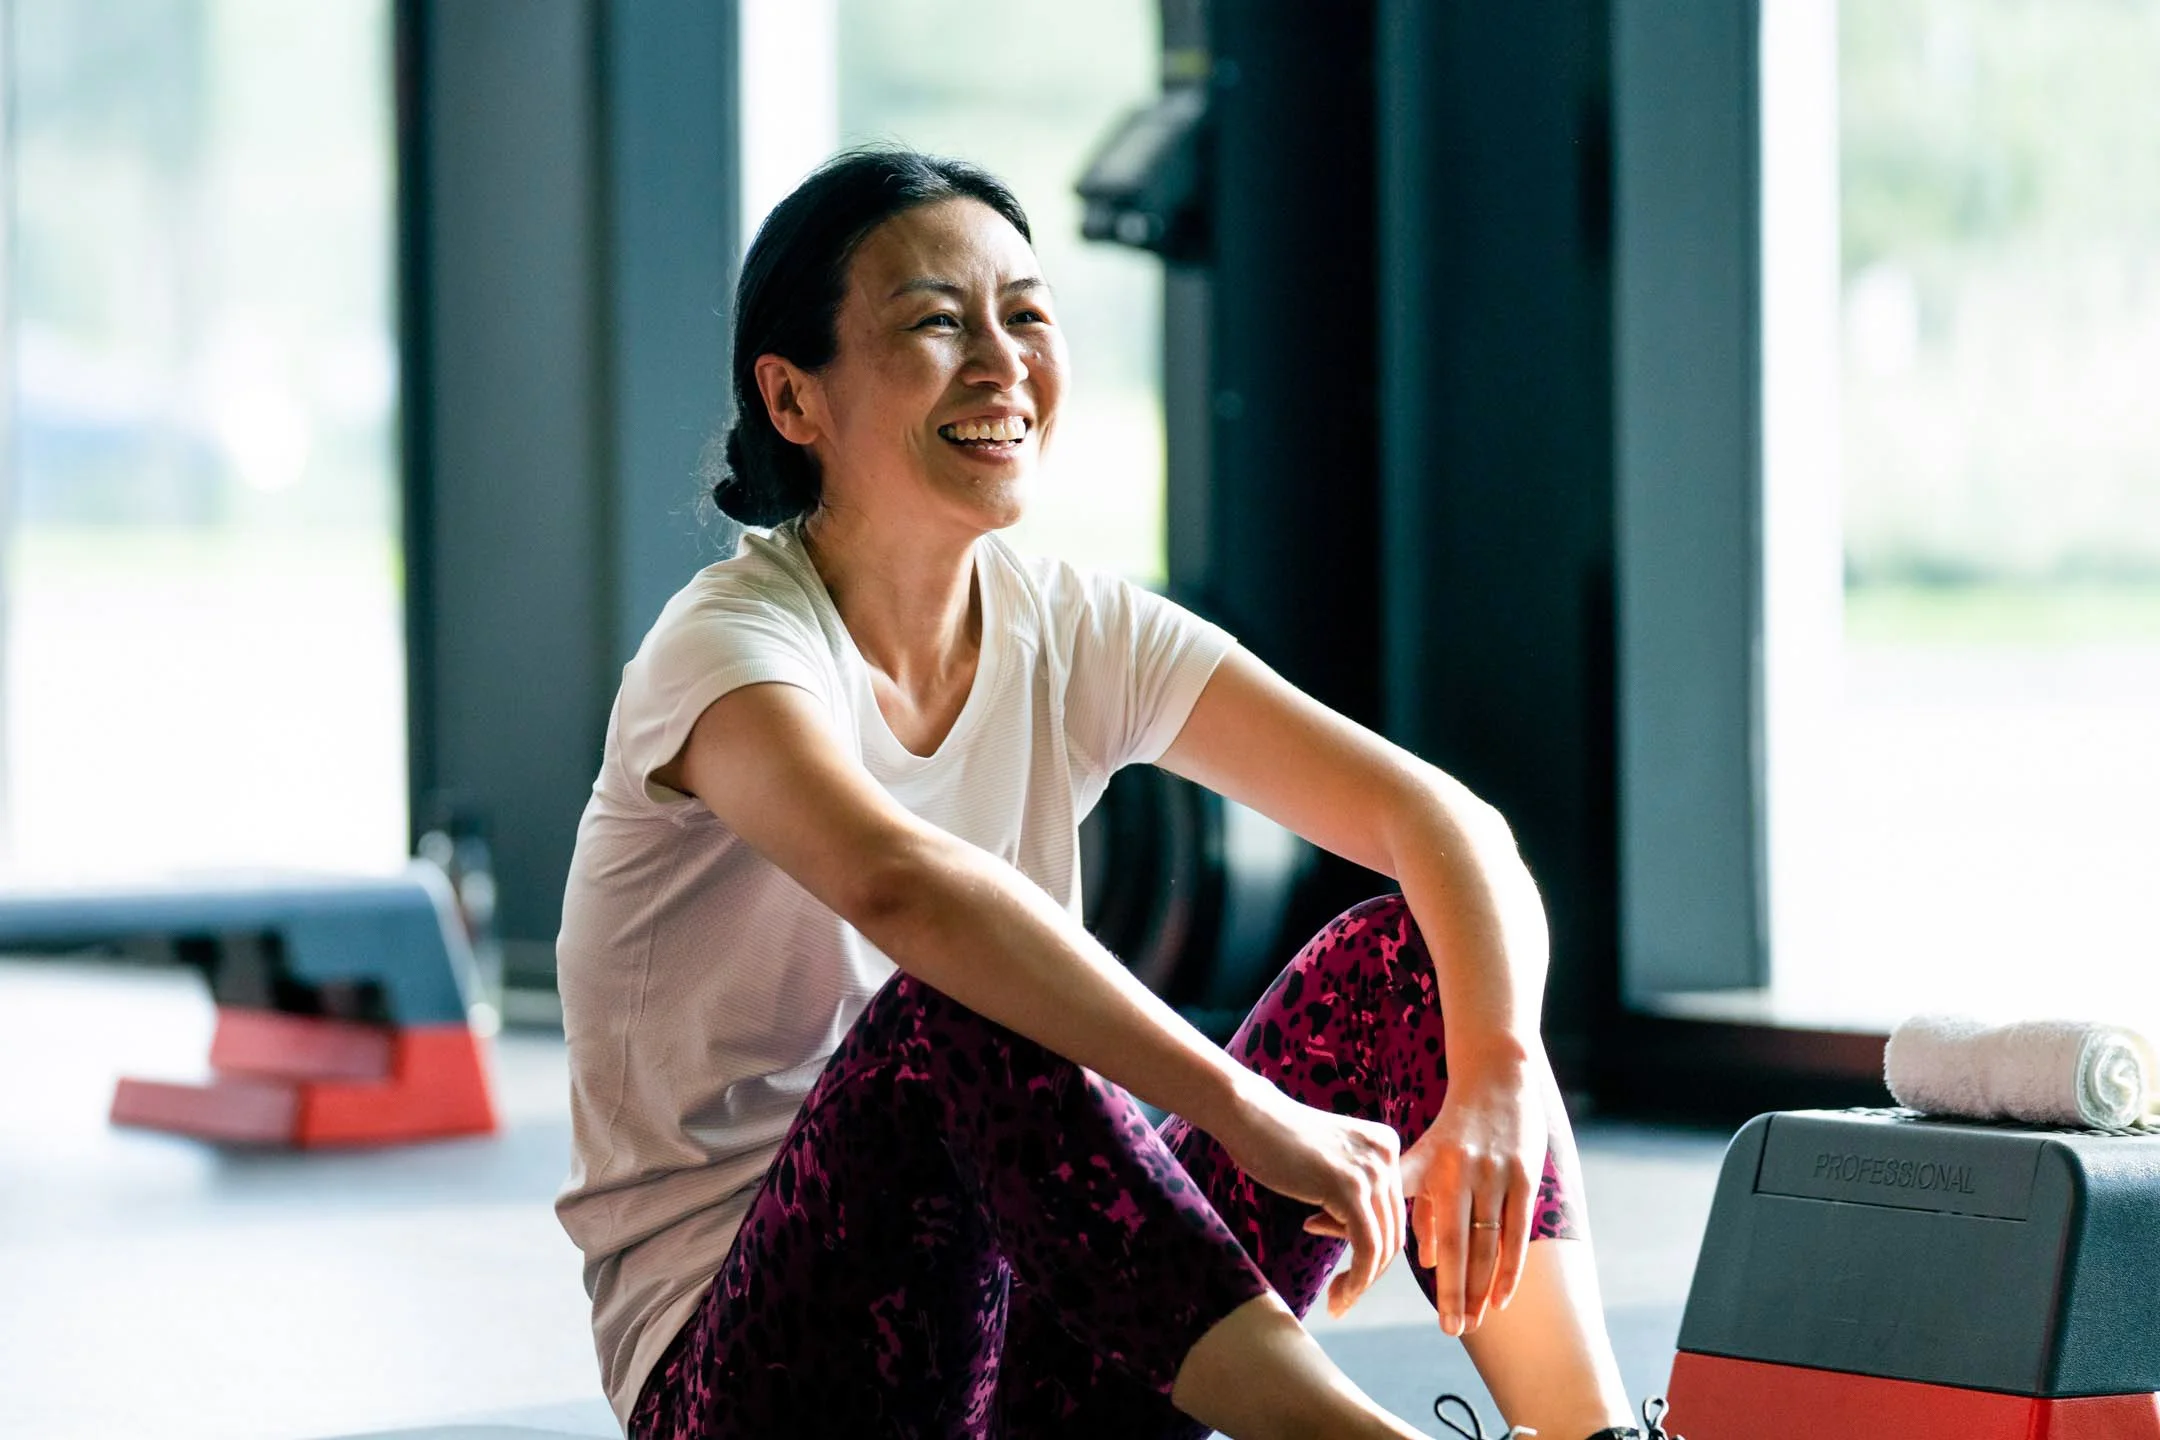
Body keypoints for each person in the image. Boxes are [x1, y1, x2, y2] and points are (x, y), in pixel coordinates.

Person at [555, 147, 1666, 1440]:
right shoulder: (731, 649)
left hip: (1041, 1347)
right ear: (793, 400)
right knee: (960, 997)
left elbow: (1446, 827)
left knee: (1406, 963)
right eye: (933, 322)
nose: (1000, 360)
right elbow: (904, 887)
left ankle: (1590, 1439)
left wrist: (1496, 1070)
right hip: (756, 1390)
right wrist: (1245, 1113)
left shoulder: (1068, 625)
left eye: (1025, 311)